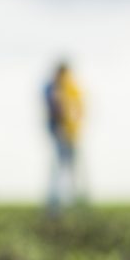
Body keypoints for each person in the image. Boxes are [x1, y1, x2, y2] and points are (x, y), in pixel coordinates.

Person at [44, 61, 85, 214]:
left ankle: (75, 203)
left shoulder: (71, 88)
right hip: (60, 133)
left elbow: (79, 109)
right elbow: (55, 110)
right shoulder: (53, 89)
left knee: (73, 169)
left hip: (72, 133)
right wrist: (61, 129)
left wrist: (75, 129)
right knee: (59, 169)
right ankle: (55, 206)